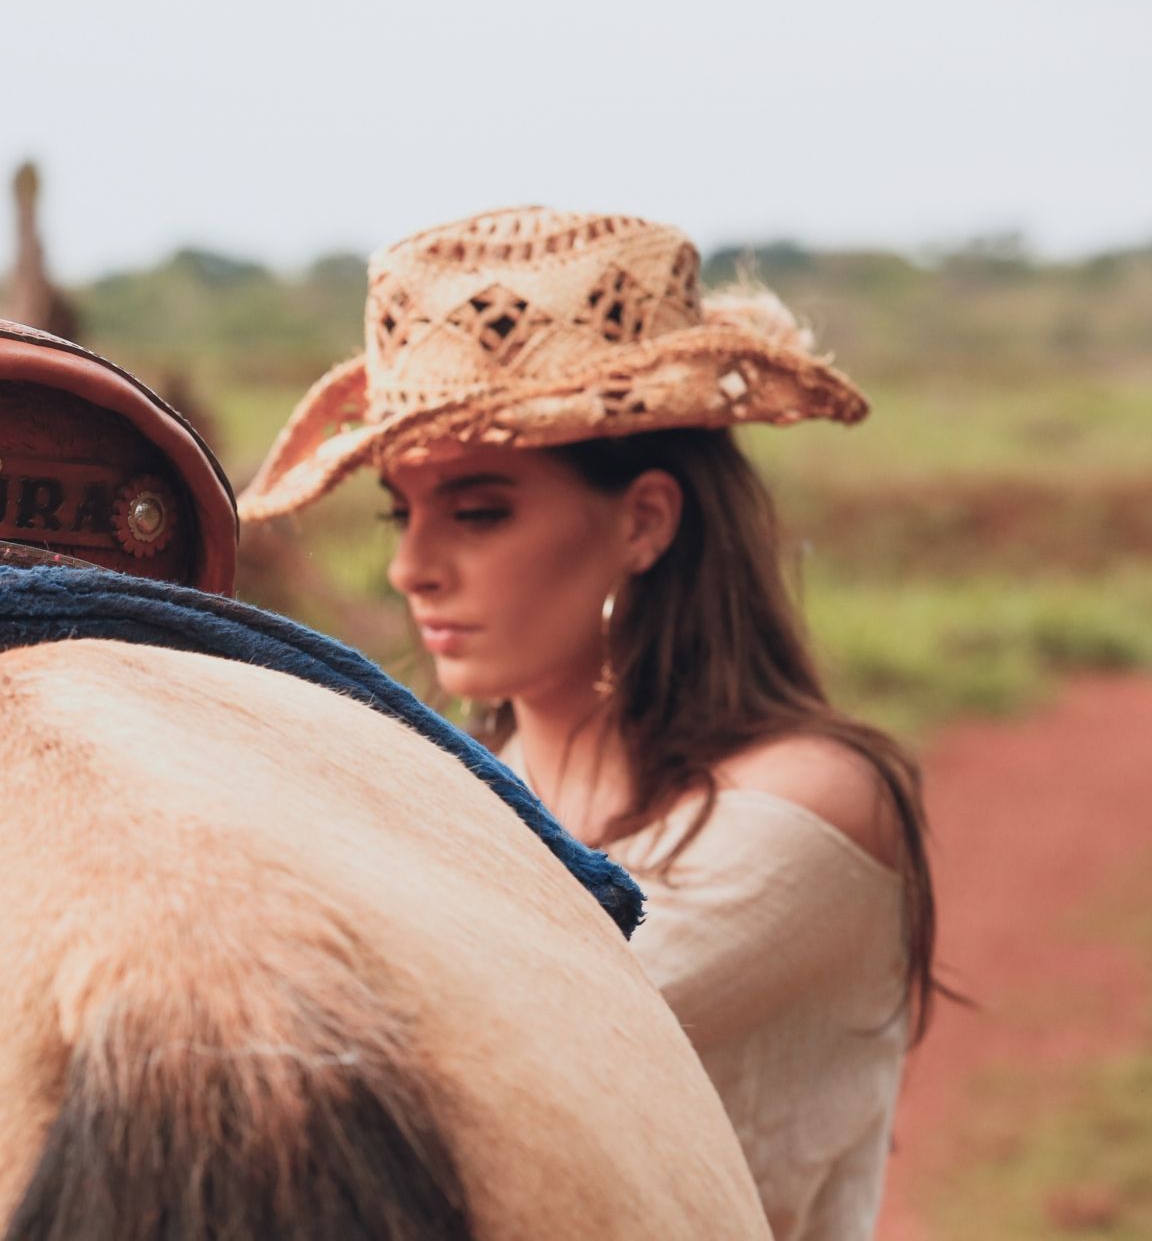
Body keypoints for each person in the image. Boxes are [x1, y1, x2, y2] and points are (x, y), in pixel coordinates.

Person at [239, 207, 937, 1241]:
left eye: (478, 511)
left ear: (645, 520)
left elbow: (449, 1051)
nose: (410, 565)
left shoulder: (810, 807)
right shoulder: (455, 784)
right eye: (402, 510)